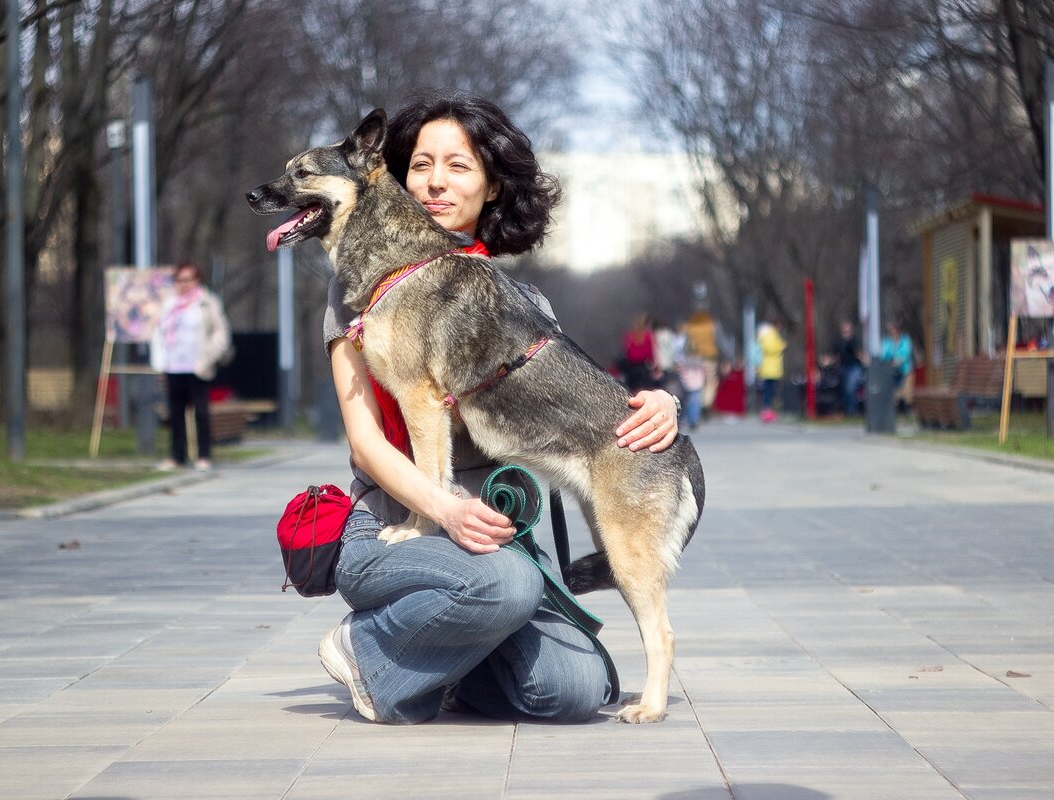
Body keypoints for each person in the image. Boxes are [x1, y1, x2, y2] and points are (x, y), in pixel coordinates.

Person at [320, 90, 681, 725]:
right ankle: (369, 644)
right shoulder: (362, 287)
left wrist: (659, 402)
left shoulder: (524, 302)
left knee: (574, 691)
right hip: (390, 525)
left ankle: (446, 663)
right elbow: (364, 443)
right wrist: (441, 511)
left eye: (458, 165)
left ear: (491, 188)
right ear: (394, 177)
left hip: (494, 531)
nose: (434, 181)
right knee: (507, 586)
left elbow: (575, 396)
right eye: (420, 164)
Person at [149, 262, 232, 472]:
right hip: (173, 365)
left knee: (201, 413)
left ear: (197, 280)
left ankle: (204, 456)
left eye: (188, 279)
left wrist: (208, 357)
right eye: (180, 280)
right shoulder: (169, 304)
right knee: (175, 413)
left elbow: (221, 333)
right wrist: (159, 361)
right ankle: (177, 456)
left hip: (198, 366)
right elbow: (158, 332)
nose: (184, 284)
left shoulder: (206, 302)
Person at [831, 320, 865, 417]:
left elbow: (858, 353)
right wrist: (829, 361)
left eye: (848, 331)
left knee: (850, 388)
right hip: (843, 368)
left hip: (854, 368)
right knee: (843, 390)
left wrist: (866, 360)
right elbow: (835, 357)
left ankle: (852, 412)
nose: (846, 333)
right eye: (844, 331)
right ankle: (846, 411)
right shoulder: (838, 342)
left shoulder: (854, 341)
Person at [756, 318, 786, 422]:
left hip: (771, 367)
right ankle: (766, 411)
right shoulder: (770, 334)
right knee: (768, 390)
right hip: (770, 367)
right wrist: (781, 346)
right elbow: (769, 348)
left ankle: (767, 410)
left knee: (770, 390)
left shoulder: (769, 334)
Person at [881, 320, 914, 412]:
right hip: (893, 372)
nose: (893, 332)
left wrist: (899, 360)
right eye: (891, 330)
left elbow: (906, 352)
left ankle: (907, 411)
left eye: (894, 329)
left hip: (905, 370)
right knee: (895, 393)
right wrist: (890, 359)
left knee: (907, 393)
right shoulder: (887, 342)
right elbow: (883, 355)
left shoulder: (905, 340)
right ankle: (896, 411)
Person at [619, 312, 656, 390]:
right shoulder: (648, 336)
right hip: (643, 367)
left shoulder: (630, 335)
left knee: (631, 390)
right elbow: (650, 353)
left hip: (631, 367)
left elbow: (627, 351)